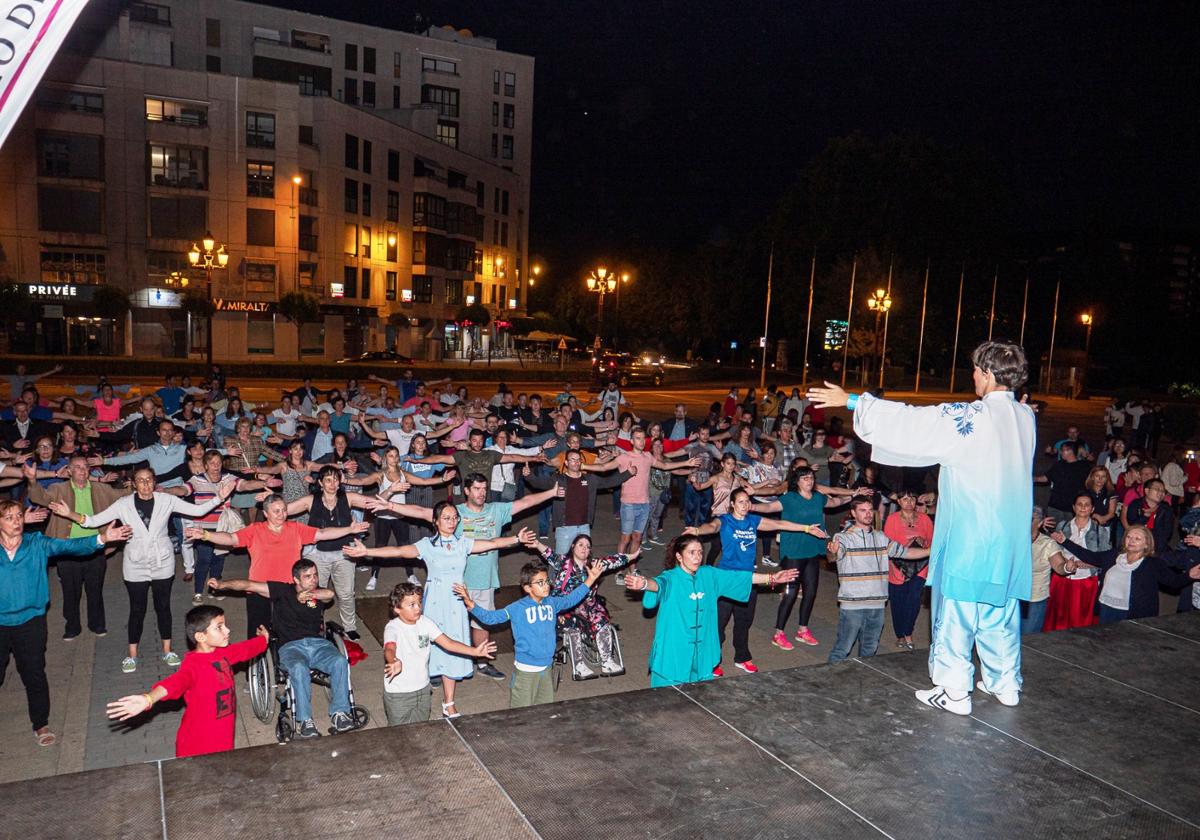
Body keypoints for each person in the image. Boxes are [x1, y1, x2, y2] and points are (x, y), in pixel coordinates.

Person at [809, 340, 1035, 714]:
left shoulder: (971, 417)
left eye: (978, 371)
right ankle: (1004, 682)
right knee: (999, 609)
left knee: (958, 611)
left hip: (973, 534)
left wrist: (854, 402)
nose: (974, 377)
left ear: (990, 374)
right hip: (1009, 539)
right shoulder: (1026, 418)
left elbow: (914, 422)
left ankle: (954, 691)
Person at [343, 506, 532, 718]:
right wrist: (367, 552)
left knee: (452, 647)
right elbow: (398, 551)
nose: (451, 522)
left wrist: (517, 538)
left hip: (457, 603)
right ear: (436, 521)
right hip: (434, 603)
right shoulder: (427, 545)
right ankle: (419, 687)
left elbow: (492, 543)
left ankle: (448, 702)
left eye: (454, 518)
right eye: (446, 518)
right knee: (425, 646)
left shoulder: (463, 543)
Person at [374, 473, 560, 681]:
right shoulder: (454, 513)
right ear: (467, 491)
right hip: (453, 583)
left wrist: (552, 493)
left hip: (484, 580)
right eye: (477, 489)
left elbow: (525, 502)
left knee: (481, 623)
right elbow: (419, 511)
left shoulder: (496, 510)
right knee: (439, 626)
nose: (482, 493)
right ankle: (436, 668)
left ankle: (481, 661)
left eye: (484, 489)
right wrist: (391, 507)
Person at [50, 466, 236, 673]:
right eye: (140, 480)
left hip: (162, 561)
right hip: (135, 563)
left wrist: (220, 497)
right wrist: (69, 514)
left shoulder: (167, 500)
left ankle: (167, 650)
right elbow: (92, 521)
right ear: (134, 483)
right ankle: (132, 655)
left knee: (163, 607)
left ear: (154, 482)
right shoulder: (123, 504)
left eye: (149, 480)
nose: (145, 484)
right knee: (137, 610)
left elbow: (199, 510)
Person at [0, 499, 130, 747]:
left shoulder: (36, 542)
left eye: (18, 516)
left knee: (34, 673)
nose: (16, 521)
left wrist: (101, 539)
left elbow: (71, 546)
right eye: (9, 517)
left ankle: (41, 724)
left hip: (30, 622)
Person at [209, 559, 359, 738]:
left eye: (315, 575)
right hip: (291, 647)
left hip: (318, 645)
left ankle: (339, 714)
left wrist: (312, 594)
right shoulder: (282, 591)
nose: (313, 579)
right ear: (296, 579)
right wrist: (222, 584)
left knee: (340, 661)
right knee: (298, 668)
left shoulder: (317, 593)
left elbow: (329, 594)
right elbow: (248, 584)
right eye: (308, 576)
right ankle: (305, 721)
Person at [623, 535, 797, 687]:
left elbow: (739, 577)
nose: (697, 557)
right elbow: (658, 584)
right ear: (679, 556)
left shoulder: (709, 575)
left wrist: (772, 577)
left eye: (700, 552)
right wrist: (644, 584)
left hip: (703, 653)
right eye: (692, 552)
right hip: (673, 655)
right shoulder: (670, 578)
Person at [685, 488, 826, 674]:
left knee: (744, 622)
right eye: (740, 502)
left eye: (747, 502)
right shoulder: (725, 521)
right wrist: (697, 530)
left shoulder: (753, 521)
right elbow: (712, 527)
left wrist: (806, 528)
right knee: (719, 623)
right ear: (732, 504)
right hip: (726, 580)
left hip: (750, 580)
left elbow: (780, 524)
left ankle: (742, 657)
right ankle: (712, 660)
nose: (744, 505)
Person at [185, 494, 368, 637]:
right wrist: (206, 535)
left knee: (288, 632)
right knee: (258, 634)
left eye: (284, 510)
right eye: (276, 511)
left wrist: (349, 529)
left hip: (288, 591)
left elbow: (322, 533)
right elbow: (231, 538)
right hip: (259, 589)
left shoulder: (295, 528)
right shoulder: (255, 530)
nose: (282, 515)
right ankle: (254, 674)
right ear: (265, 514)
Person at [106, 607, 269, 757]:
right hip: (197, 744)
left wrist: (263, 640)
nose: (227, 630)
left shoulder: (223, 653)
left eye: (225, 625)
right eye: (219, 627)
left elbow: (245, 650)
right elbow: (175, 683)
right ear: (200, 636)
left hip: (224, 737)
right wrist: (149, 698)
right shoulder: (193, 666)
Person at [455, 559, 603, 708]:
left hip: (546, 668)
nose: (546, 586)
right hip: (526, 672)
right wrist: (471, 604)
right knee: (521, 715)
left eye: (546, 581)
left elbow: (571, 599)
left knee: (545, 711)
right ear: (527, 588)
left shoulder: (552, 603)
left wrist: (590, 579)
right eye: (540, 582)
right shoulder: (518, 608)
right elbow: (492, 618)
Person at [751, 467, 855, 649]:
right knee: (790, 593)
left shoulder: (817, 498)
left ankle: (802, 629)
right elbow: (768, 507)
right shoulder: (789, 499)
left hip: (812, 551)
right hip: (793, 552)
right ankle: (779, 632)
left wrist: (853, 495)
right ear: (797, 481)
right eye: (805, 478)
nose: (809, 480)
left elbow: (835, 502)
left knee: (811, 592)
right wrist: (750, 506)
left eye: (811, 477)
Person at [23, 456, 126, 640]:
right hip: (67, 549)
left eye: (86, 467)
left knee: (95, 589)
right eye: (77, 467)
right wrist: (32, 480)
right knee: (71, 592)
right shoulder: (58, 489)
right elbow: (39, 497)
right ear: (69, 471)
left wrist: (140, 485)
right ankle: (72, 626)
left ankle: (97, 624)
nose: (83, 470)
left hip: (95, 545)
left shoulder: (101, 489)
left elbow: (122, 495)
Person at [826, 497, 931, 663]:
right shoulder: (844, 538)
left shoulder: (881, 537)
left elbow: (907, 553)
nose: (868, 514)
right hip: (853, 603)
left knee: (869, 649)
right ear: (853, 513)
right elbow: (833, 556)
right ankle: (829, 684)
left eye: (870, 510)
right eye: (862, 510)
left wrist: (932, 550)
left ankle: (863, 683)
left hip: (877, 603)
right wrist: (833, 551)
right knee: (843, 648)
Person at [280, 466, 378, 640]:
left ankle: (349, 626)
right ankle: (316, 625)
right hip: (317, 555)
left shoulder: (348, 498)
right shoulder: (311, 500)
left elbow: (373, 503)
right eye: (328, 480)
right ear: (320, 483)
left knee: (346, 593)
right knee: (314, 592)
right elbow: (284, 511)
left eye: (335, 479)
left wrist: (389, 492)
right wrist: (272, 502)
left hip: (344, 553)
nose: (332, 484)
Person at [382, 582, 496, 726]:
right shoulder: (393, 627)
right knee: (399, 733)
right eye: (411, 605)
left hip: (423, 689)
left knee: (420, 727)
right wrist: (393, 661)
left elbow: (448, 643)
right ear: (397, 608)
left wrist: (475, 651)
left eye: (419, 603)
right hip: (399, 694)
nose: (418, 608)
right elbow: (389, 648)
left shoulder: (425, 623)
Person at [527, 531, 635, 678]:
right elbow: (549, 553)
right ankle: (579, 666)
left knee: (601, 619)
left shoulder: (594, 565)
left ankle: (607, 661)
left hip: (588, 607)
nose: (584, 548)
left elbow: (614, 560)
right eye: (581, 545)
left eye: (588, 546)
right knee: (572, 624)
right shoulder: (564, 562)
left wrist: (633, 556)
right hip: (565, 606)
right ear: (573, 547)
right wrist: (537, 544)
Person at [1052, 526, 1200, 622]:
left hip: (1132, 615)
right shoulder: (1113, 556)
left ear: (1146, 544)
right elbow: (1090, 556)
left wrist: (1189, 576)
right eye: (1129, 537)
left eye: (1137, 538)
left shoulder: (1152, 564)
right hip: (1106, 609)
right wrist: (1065, 541)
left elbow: (1173, 582)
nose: (1131, 541)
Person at [882, 489, 935, 650]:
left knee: (913, 600)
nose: (909, 502)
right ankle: (900, 634)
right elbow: (888, 544)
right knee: (898, 601)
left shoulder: (925, 519)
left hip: (920, 565)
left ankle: (908, 632)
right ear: (898, 502)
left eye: (911, 498)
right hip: (898, 566)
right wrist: (907, 544)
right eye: (905, 499)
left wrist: (922, 541)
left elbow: (932, 543)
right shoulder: (892, 519)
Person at [1024, 507, 1077, 634]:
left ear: (1041, 523)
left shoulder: (1047, 543)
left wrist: (1067, 567)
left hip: (1034, 598)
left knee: (1028, 640)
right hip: (1011, 598)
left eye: (1031, 519)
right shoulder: (1011, 539)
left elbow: (1059, 566)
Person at [1034, 441, 1091, 525]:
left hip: (1072, 507)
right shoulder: (1058, 464)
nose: (1060, 453)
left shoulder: (1083, 466)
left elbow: (1090, 484)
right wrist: (1032, 479)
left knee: (1070, 532)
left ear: (1070, 451)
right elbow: (1046, 478)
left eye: (1062, 450)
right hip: (1055, 505)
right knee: (1052, 531)